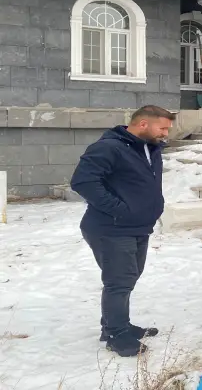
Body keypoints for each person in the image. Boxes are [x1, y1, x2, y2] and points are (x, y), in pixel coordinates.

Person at [70, 106, 175, 357]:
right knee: (119, 281)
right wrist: (119, 209)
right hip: (111, 227)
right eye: (162, 128)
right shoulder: (109, 147)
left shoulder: (150, 148)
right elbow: (83, 182)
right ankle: (116, 335)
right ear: (143, 124)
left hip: (137, 226)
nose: (166, 133)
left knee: (129, 277)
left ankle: (118, 324)